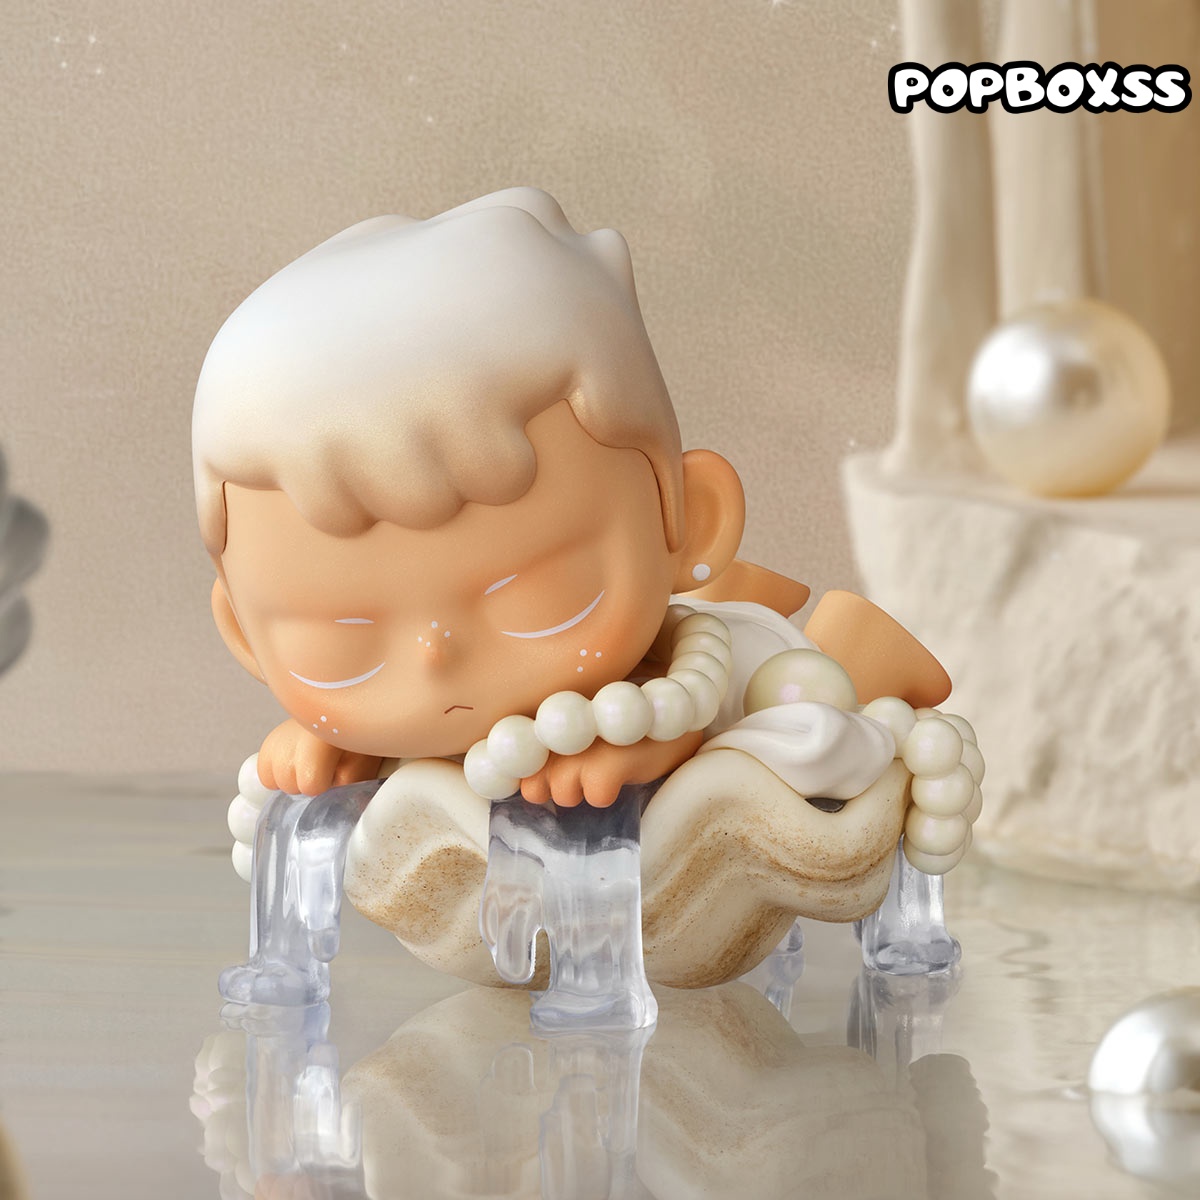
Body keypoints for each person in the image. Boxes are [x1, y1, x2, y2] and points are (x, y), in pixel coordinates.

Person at [194, 188, 978, 987]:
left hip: (763, 700)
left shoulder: (677, 676)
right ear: (245, 638)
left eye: (541, 594)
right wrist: (340, 736)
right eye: (339, 642)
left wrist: (647, 743)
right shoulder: (390, 720)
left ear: (691, 522)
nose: (436, 655)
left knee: (809, 703)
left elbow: (687, 714)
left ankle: (866, 652)